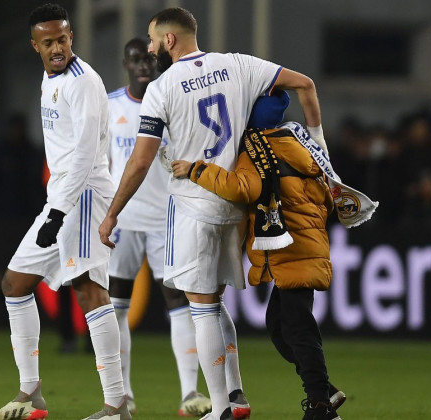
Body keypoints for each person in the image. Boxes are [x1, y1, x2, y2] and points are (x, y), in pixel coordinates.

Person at [98, 7, 324, 420]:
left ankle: (220, 409)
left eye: (152, 40)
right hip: (236, 205)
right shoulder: (237, 64)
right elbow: (305, 85)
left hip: (193, 206)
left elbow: (141, 161)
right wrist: (319, 145)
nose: (149, 48)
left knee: (200, 306)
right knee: (215, 306)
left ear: (169, 41)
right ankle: (235, 396)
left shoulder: (162, 88)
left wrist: (112, 213)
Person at [0, 4, 130, 420]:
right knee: (14, 284)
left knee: (88, 291)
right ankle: (31, 394)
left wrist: (57, 213)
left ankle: (116, 406)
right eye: (48, 42)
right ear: (36, 46)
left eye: (63, 39)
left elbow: (84, 154)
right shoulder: (49, 80)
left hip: (81, 198)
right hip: (61, 199)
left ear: (71, 38)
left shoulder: (84, 83)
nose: (57, 48)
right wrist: (54, 208)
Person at [171, 90, 345, 420]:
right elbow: (326, 197)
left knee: (296, 328)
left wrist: (196, 170)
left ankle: (321, 405)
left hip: (292, 249)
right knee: (280, 326)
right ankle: (324, 390)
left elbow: (242, 187)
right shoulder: (297, 141)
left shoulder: (258, 148)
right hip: (308, 243)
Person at [106, 37, 211, 417]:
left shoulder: (172, 101)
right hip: (124, 221)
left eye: (149, 58)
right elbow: (100, 165)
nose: (143, 66)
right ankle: (123, 395)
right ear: (125, 64)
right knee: (115, 304)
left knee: (177, 300)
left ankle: (190, 393)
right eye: (136, 60)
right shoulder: (109, 105)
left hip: (167, 218)